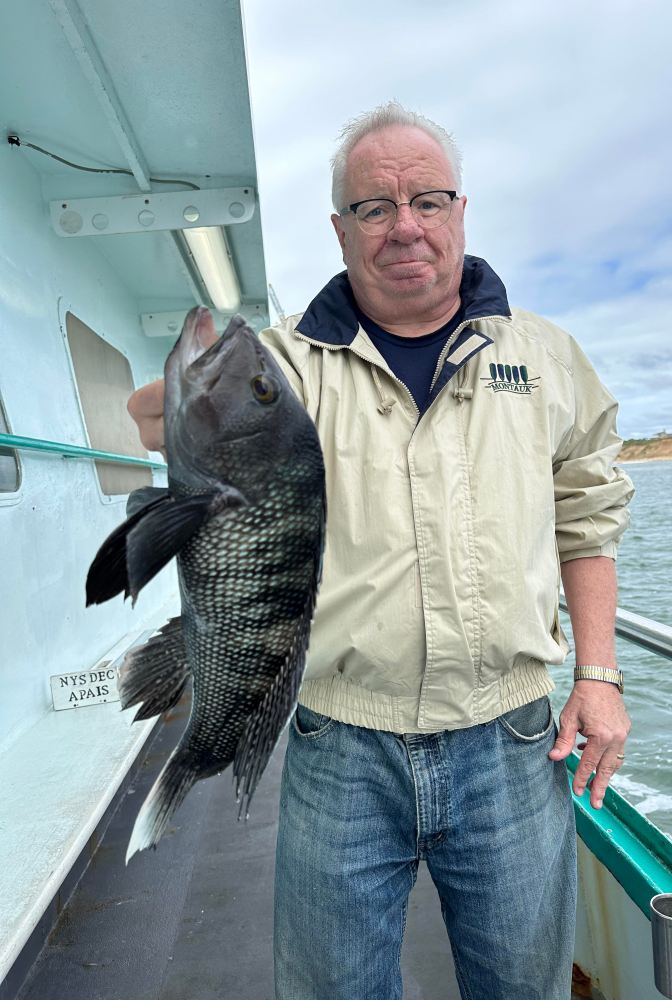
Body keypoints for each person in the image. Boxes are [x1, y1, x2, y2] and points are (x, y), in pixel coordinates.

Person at [128, 102, 634, 1000]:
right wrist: (188, 396)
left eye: (427, 200)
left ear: (459, 211)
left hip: (512, 739)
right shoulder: (285, 365)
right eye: (374, 206)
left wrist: (598, 676)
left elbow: (588, 522)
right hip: (339, 740)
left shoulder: (548, 358)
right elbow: (152, 415)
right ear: (340, 228)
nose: (405, 224)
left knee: (525, 987)